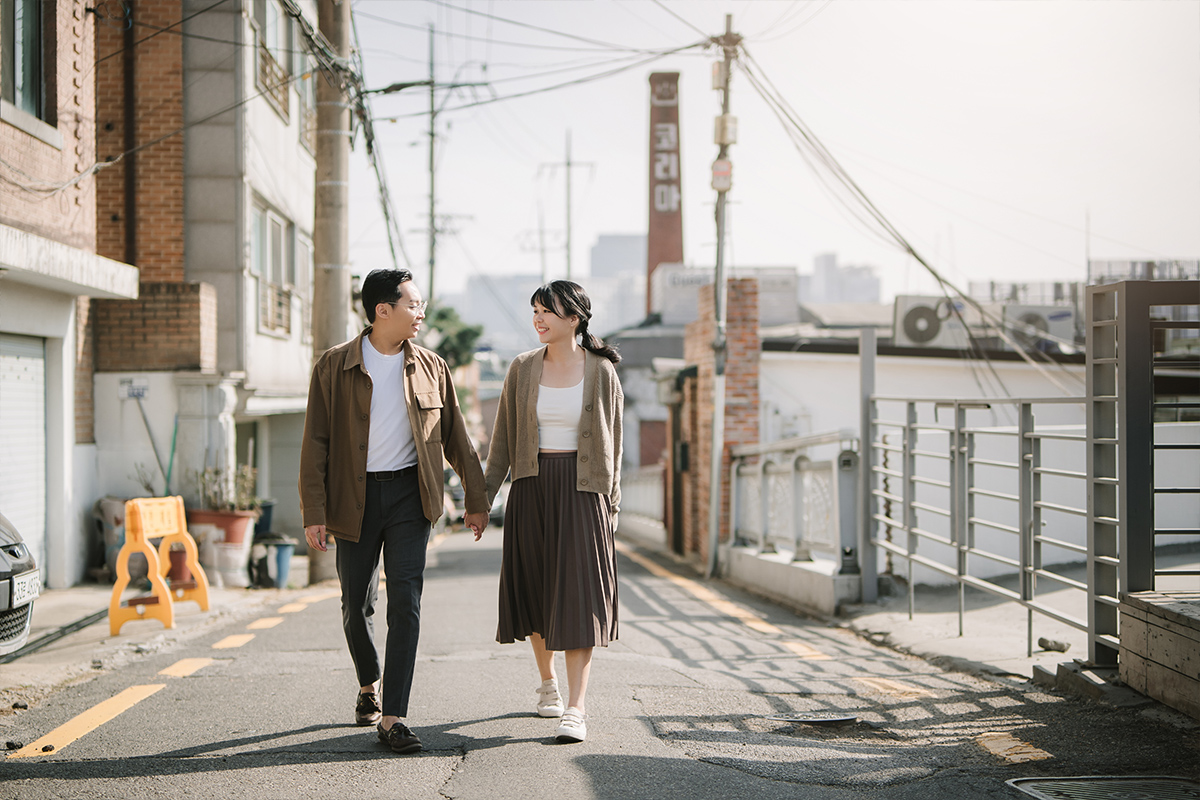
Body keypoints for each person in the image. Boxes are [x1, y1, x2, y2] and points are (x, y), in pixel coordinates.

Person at [299, 268, 489, 755]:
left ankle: (393, 717)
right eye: (413, 305)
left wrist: (475, 500)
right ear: (383, 310)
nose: (420, 313)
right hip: (353, 500)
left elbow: (457, 441)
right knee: (355, 605)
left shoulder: (432, 367)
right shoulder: (333, 366)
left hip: (411, 497)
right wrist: (314, 510)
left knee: (406, 602)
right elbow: (315, 442)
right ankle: (368, 681)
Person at [484, 280, 623, 744]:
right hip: (532, 488)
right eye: (536, 311)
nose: (539, 319)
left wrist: (612, 505)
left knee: (580, 596)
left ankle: (577, 708)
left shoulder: (602, 371)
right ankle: (548, 685)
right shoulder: (522, 368)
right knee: (538, 588)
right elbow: (502, 441)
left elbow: (615, 444)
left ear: (575, 318)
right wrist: (482, 500)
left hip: (585, 494)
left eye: (547, 311)